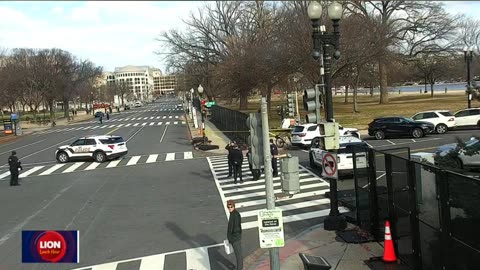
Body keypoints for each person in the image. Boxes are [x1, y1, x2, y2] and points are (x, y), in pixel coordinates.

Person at [227, 200, 243, 270]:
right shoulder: (232, 214)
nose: (230, 208)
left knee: (239, 256)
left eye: (231, 207)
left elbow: (237, 228)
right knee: (238, 256)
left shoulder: (235, 215)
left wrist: (232, 238)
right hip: (234, 238)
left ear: (234, 206)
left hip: (235, 239)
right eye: (228, 207)